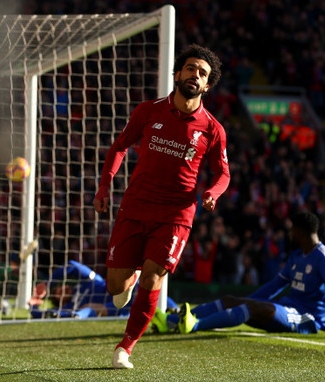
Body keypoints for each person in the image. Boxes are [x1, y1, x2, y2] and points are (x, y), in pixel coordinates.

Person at [93, 44, 230, 369]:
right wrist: (104, 185)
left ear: (207, 85)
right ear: (178, 73)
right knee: (116, 285)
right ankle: (134, 271)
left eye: (202, 73)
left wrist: (213, 191)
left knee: (155, 276)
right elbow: (119, 146)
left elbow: (223, 172)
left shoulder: (213, 129)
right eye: (191, 69)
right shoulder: (147, 111)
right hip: (136, 206)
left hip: (176, 213)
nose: (195, 75)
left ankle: (125, 347)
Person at [151, 211, 325, 338]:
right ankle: (171, 321)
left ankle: (193, 325)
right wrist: (245, 299)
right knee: (230, 300)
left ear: (299, 232)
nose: (289, 234)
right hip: (289, 309)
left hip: (310, 320)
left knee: (248, 307)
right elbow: (273, 287)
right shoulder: (297, 256)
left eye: (292, 230)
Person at [28, 260, 179, 319]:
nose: (62, 289)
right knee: (90, 308)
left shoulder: (87, 282)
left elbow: (71, 265)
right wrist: (33, 306)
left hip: (129, 291)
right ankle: (78, 316)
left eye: (59, 287)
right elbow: (43, 314)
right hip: (114, 308)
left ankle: (176, 310)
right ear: (58, 302)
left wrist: (47, 283)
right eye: (58, 294)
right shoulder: (69, 306)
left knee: (146, 288)